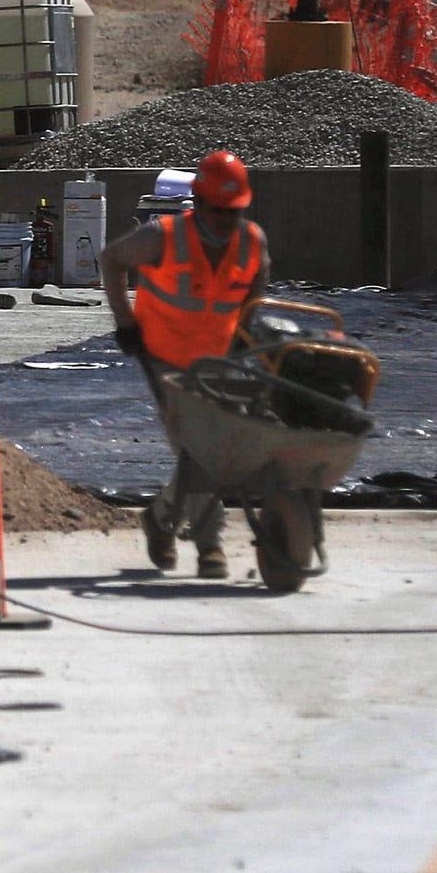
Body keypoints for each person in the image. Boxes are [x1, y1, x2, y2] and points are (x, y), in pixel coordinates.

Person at [98, 150, 270, 581]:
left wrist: (246, 331)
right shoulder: (164, 237)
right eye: (218, 210)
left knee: (211, 448)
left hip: (215, 359)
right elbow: (112, 259)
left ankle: (160, 518)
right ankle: (210, 545)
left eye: (233, 211)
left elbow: (257, 282)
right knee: (198, 449)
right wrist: (124, 321)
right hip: (164, 357)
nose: (226, 220)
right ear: (200, 202)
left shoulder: (252, 242)